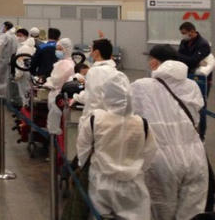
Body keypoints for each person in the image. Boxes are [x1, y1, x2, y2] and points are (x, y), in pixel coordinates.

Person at [131, 45, 209, 220]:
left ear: (154, 62)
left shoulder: (141, 86)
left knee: (161, 210)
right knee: (192, 213)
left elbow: (128, 118)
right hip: (195, 157)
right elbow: (197, 120)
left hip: (161, 159)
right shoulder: (193, 86)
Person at [77, 71, 156, 220]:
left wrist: (85, 168)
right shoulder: (142, 123)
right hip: (133, 184)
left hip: (100, 181)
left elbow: (83, 150)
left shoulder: (95, 119)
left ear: (106, 95)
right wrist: (134, 168)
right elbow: (150, 153)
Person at [178, 21, 212, 137]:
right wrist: (193, 61)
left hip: (201, 80)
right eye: (182, 33)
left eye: (184, 33)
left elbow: (192, 60)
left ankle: (201, 135)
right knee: (186, 105)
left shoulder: (203, 44)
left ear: (192, 31)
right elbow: (183, 59)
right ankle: (189, 132)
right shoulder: (184, 42)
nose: (183, 36)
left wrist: (190, 60)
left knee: (200, 106)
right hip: (186, 77)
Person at [74, 38, 118, 121]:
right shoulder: (116, 72)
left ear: (97, 52)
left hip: (95, 119)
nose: (90, 54)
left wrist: (75, 97)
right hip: (112, 118)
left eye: (91, 50)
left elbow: (89, 97)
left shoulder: (94, 72)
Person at [14, 28, 36, 105]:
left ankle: (25, 107)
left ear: (26, 36)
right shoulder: (32, 47)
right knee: (28, 91)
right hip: (30, 72)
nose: (18, 37)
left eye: (20, 35)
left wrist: (18, 75)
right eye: (17, 35)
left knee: (24, 93)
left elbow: (20, 62)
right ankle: (28, 107)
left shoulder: (23, 48)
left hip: (23, 73)